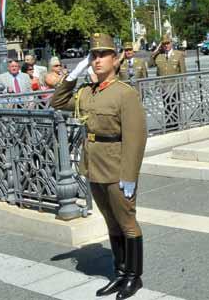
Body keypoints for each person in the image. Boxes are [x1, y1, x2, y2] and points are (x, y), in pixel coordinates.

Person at [50, 34, 147, 299]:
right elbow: (57, 102)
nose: (97, 60)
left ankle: (133, 277)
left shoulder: (124, 94)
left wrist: (129, 175)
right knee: (111, 222)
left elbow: (136, 138)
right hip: (94, 166)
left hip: (117, 168)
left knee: (126, 222)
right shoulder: (86, 93)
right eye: (93, 56)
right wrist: (74, 74)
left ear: (115, 60)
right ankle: (119, 273)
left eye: (103, 55)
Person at [151, 35, 186, 129]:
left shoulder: (178, 54)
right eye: (164, 44)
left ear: (171, 43)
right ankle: (170, 124)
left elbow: (183, 71)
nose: (166, 45)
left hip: (175, 86)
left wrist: (182, 86)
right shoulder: (159, 56)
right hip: (164, 87)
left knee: (175, 106)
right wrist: (157, 50)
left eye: (168, 43)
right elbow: (150, 63)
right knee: (166, 106)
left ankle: (177, 124)